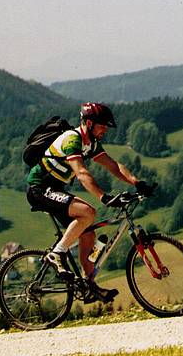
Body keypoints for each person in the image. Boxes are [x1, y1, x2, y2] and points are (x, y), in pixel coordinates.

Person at [26, 103, 154, 303]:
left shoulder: (91, 143)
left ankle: (88, 286)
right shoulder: (72, 140)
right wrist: (104, 197)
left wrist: (137, 182)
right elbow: (82, 173)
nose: (105, 130)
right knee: (88, 212)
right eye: (102, 126)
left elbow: (114, 166)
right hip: (39, 189)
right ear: (89, 123)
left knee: (88, 234)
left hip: (55, 190)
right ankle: (57, 254)